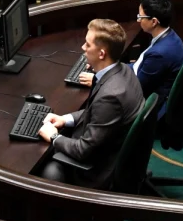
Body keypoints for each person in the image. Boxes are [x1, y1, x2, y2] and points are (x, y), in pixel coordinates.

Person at [37, 19, 144, 188]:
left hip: (96, 170)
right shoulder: (124, 70)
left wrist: (54, 137)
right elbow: (97, 113)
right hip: (111, 148)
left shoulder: (111, 97)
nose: (83, 48)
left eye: (87, 45)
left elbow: (83, 150)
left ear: (101, 54)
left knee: (43, 168)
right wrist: (66, 119)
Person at [130, 0, 183, 119]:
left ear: (154, 21)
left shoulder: (159, 54)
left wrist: (100, 79)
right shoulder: (170, 36)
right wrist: (107, 67)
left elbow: (135, 88)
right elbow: (138, 67)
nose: (138, 20)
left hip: (154, 112)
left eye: (140, 17)